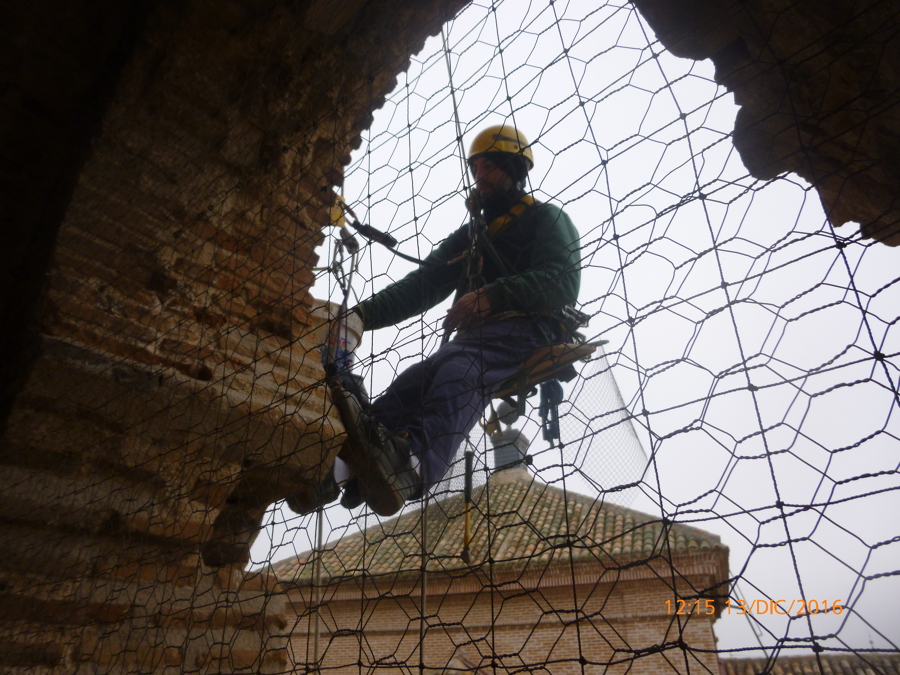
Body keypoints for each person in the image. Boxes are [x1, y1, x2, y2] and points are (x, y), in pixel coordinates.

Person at [330, 123, 582, 517]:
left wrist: (493, 295)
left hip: (531, 328)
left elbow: (564, 281)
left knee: (459, 370)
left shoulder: (547, 219)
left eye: (488, 168)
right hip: (479, 339)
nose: (479, 177)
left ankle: (411, 465)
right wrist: (360, 316)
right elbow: (423, 283)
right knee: (412, 382)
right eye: (475, 169)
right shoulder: (471, 237)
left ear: (513, 170)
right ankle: (340, 467)